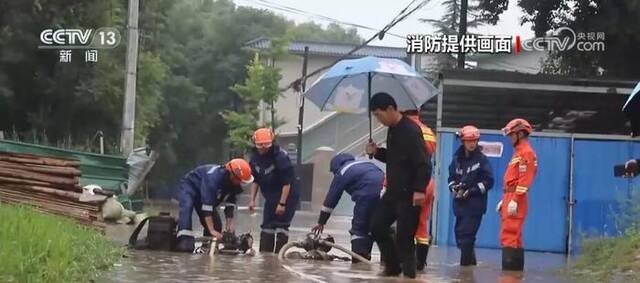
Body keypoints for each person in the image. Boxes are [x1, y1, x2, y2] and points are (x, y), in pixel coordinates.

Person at [366, 92, 431, 279]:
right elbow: (395, 159)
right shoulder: (392, 129)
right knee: (377, 227)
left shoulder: (410, 131)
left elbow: (423, 163)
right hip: (393, 193)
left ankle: (410, 276)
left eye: (379, 115)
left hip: (410, 194)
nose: (378, 120)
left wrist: (419, 190)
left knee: (405, 239)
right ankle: (393, 267)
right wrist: (376, 152)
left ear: (390, 109)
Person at [311, 153, 384, 262]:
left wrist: (321, 221)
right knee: (384, 228)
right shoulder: (368, 164)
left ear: (336, 167)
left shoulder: (342, 171)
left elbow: (332, 198)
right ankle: (389, 263)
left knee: (359, 230)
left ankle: (360, 261)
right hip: (387, 193)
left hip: (367, 197)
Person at [175, 159, 254, 252]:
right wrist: (212, 231)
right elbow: (207, 207)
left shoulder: (233, 184)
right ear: (233, 175)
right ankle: (184, 240)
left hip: (205, 195)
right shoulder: (213, 180)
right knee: (187, 208)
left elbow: (230, 205)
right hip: (190, 186)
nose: (241, 183)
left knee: (217, 225)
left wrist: (229, 227)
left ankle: (206, 249)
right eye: (240, 180)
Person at [248, 128, 300, 253]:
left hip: (287, 196)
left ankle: (278, 257)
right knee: (267, 226)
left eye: (265, 146)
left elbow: (286, 183)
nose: (263, 149)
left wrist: (282, 204)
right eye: (260, 146)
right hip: (270, 196)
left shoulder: (281, 157)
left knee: (281, 226)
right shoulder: (255, 158)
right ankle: (266, 258)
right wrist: (252, 200)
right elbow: (255, 180)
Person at [448, 125, 495, 266]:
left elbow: (489, 181)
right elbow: (450, 178)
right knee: (460, 238)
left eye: (474, 140)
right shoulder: (456, 159)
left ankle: (465, 272)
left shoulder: (482, 160)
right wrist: (454, 188)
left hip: (475, 205)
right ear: (462, 141)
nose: (472, 143)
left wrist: (472, 190)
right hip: (460, 205)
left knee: (467, 237)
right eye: (469, 140)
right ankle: (470, 268)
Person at [497, 118, 537, 271]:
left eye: (511, 135)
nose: (509, 138)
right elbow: (513, 180)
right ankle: (515, 276)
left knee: (509, 236)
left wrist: (514, 200)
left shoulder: (526, 153)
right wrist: (504, 200)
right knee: (515, 237)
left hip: (515, 198)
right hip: (510, 197)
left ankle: (508, 277)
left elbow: (525, 179)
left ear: (520, 134)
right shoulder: (519, 153)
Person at [402, 109, 437, 271]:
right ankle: (420, 264)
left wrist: (386, 186)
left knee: (405, 224)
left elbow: (398, 162)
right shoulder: (428, 131)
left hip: (410, 183)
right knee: (422, 223)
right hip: (427, 182)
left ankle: (406, 263)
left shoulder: (404, 130)